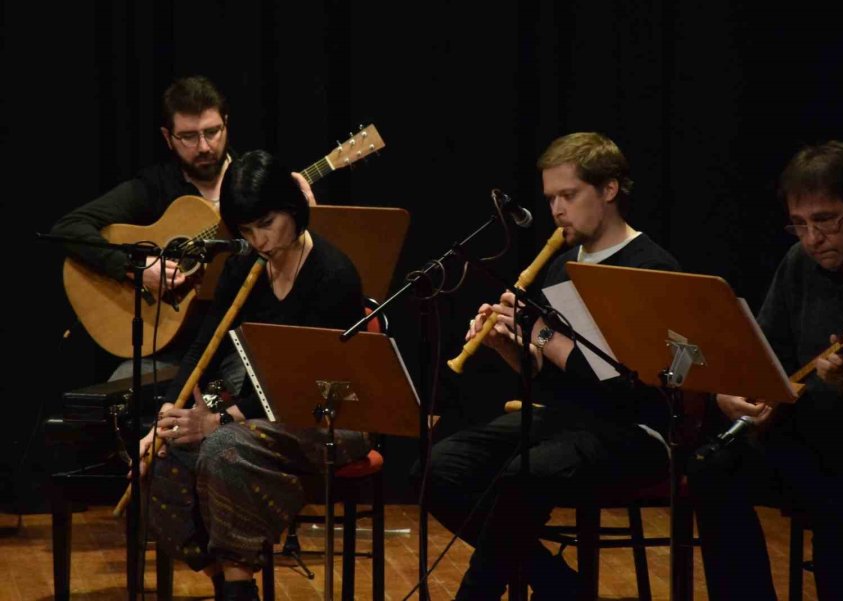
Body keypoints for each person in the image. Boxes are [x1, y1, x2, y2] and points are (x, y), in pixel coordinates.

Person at [418, 132, 681, 600]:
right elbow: (548, 368)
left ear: (609, 190)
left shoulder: (650, 269)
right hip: (563, 420)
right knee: (440, 467)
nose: (557, 210)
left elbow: (621, 380)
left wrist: (536, 329)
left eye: (568, 195)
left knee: (526, 473)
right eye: (550, 198)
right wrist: (506, 343)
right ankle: (559, 583)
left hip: (633, 429)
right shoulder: (562, 266)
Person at [137, 149, 369, 601]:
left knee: (222, 448)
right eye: (247, 230)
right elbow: (209, 346)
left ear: (292, 209)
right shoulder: (245, 265)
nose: (259, 240)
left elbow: (302, 386)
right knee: (160, 459)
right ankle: (228, 583)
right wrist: (174, 410)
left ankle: (239, 583)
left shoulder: (333, 274)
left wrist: (217, 421)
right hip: (255, 405)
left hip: (328, 415)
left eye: (266, 224)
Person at [689, 140, 843, 600]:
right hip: (810, 436)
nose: (812, 239)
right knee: (712, 468)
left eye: (825, 220)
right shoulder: (801, 262)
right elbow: (766, 351)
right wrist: (737, 393)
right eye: (799, 225)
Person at [49, 75, 316, 380]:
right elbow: (68, 228)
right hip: (170, 345)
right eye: (188, 137)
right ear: (167, 137)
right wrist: (134, 267)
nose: (204, 146)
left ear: (226, 124)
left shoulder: (258, 181)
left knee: (262, 391)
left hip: (239, 341)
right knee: (119, 390)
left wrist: (307, 216)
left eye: (212, 132)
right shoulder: (155, 186)